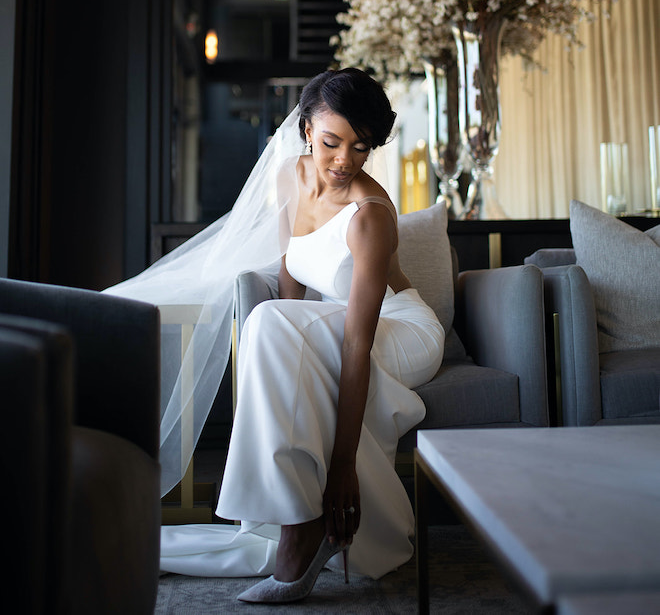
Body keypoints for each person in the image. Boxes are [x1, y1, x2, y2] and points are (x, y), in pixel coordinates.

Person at [106, 68, 445, 600]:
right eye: (332, 142)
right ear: (307, 129)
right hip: (332, 323)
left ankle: (299, 529)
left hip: (398, 331)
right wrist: (283, 343)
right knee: (270, 323)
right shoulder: (290, 175)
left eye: (361, 148)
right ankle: (294, 520)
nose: (343, 161)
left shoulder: (370, 215)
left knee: (270, 324)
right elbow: (291, 273)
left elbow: (359, 342)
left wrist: (340, 470)